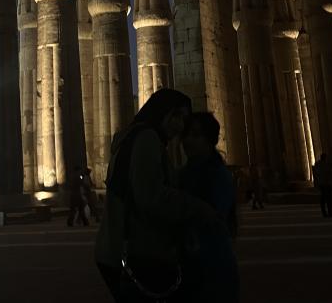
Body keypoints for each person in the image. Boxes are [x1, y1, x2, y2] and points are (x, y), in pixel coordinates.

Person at [95, 88, 222, 302]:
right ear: (164, 112)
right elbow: (151, 197)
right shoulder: (147, 138)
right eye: (177, 117)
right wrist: (198, 207)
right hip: (137, 251)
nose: (180, 126)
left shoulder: (132, 137)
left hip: (115, 248)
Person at [179, 112, 239, 302]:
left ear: (210, 140)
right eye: (186, 134)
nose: (188, 140)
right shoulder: (183, 174)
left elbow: (212, 217)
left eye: (196, 135)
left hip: (213, 267)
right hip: (190, 268)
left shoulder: (218, 175)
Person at [313, 153, 332, 218]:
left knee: (323, 198)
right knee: (328, 198)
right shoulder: (328, 164)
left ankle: (324, 213)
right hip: (327, 183)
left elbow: (316, 174)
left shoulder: (317, 164)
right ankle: (329, 212)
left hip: (322, 183)